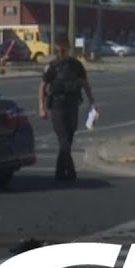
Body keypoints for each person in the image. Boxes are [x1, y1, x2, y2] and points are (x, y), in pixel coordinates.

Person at [38, 39, 95, 181]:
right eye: (58, 51)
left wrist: (92, 102)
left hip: (72, 106)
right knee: (63, 140)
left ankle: (59, 172)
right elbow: (42, 87)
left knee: (68, 140)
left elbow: (85, 84)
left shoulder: (76, 65)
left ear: (68, 49)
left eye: (63, 50)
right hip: (57, 106)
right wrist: (41, 107)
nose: (60, 53)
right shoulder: (52, 67)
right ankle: (71, 172)